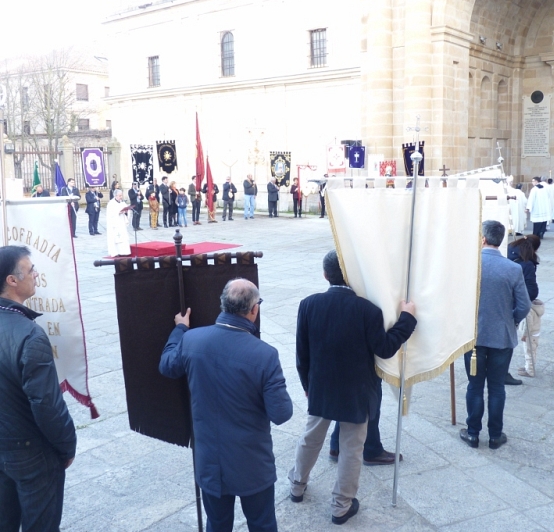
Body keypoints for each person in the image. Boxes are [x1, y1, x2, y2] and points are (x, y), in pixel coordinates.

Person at [289, 250, 417, 525]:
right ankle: (340, 506)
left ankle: (296, 486)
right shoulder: (367, 310)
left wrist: (307, 385)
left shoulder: (308, 304)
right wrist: (407, 319)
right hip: (357, 391)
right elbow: (385, 348)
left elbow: (302, 354)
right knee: (351, 449)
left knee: (310, 439)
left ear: (326, 275)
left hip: (321, 386)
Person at [159, 279, 292, 532]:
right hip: (252, 463)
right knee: (262, 524)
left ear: (223, 305)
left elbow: (167, 366)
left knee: (217, 525)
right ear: (254, 309)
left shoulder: (191, 340)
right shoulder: (265, 355)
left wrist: (180, 329)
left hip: (210, 460)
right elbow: (281, 413)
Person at [0, 245, 77, 532]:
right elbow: (46, 403)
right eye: (31, 270)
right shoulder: (30, 335)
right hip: (31, 451)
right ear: (12, 280)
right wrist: (67, 444)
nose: (36, 275)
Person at [460, 220, 531, 451]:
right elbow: (524, 305)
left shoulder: (469, 265)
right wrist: (511, 320)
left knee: (475, 385)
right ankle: (495, 435)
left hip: (474, 336)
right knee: (497, 387)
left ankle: (472, 433)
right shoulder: (513, 268)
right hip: (501, 336)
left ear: (483, 238)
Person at [507, 236, 544, 378]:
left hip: (502, 301)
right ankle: (529, 368)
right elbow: (531, 291)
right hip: (519, 304)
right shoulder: (527, 264)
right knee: (530, 336)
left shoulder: (508, 252)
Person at [106, 189, 131, 257]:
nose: (121, 197)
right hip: (115, 224)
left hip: (122, 223)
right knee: (117, 238)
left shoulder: (122, 203)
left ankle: (124, 252)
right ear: (115, 195)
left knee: (124, 238)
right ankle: (116, 252)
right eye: (119, 196)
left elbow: (127, 211)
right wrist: (118, 212)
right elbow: (110, 214)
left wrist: (126, 212)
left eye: (121, 195)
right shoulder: (111, 203)